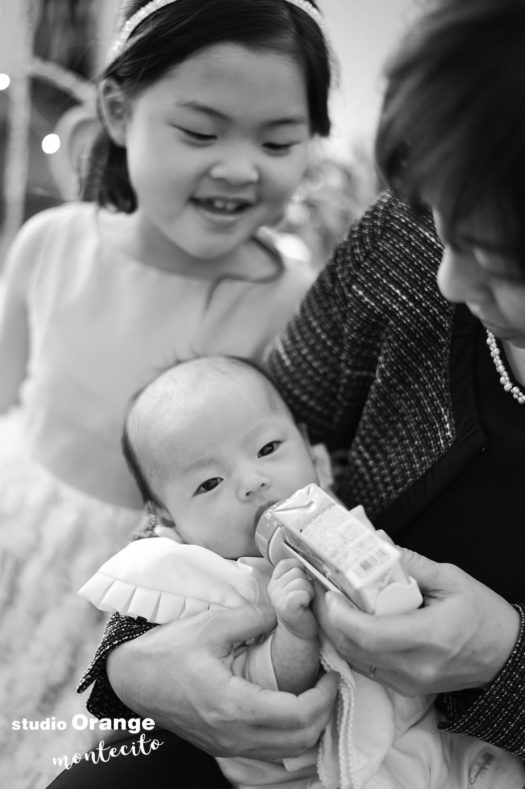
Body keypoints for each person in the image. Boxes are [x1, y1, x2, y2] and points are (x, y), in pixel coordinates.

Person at [46, 0, 525, 787]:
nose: (448, 279)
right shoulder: (398, 251)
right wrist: (138, 664)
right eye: (442, 227)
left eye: (501, 261)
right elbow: (204, 460)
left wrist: (502, 663)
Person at [0, 0, 333, 783]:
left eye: (278, 140)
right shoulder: (51, 241)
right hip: (20, 522)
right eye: (199, 132)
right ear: (118, 111)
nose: (240, 165)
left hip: (147, 591)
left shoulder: (289, 299)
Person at [79, 355, 524, 789]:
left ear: (319, 460)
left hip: (434, 735)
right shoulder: (211, 582)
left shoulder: (337, 521)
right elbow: (258, 697)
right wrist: (292, 634)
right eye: (208, 483)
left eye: (268, 449)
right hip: (323, 770)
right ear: (169, 523)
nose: (251, 481)